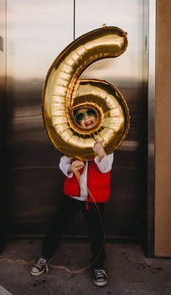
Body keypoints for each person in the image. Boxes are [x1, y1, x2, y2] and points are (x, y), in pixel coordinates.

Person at [30, 106, 114, 287]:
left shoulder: (106, 139)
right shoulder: (72, 139)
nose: (86, 118)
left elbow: (106, 168)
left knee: (97, 233)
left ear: (97, 116)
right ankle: (44, 257)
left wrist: (101, 154)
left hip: (94, 198)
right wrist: (69, 168)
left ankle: (98, 266)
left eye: (89, 114)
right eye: (80, 116)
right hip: (72, 195)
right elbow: (63, 160)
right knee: (57, 226)